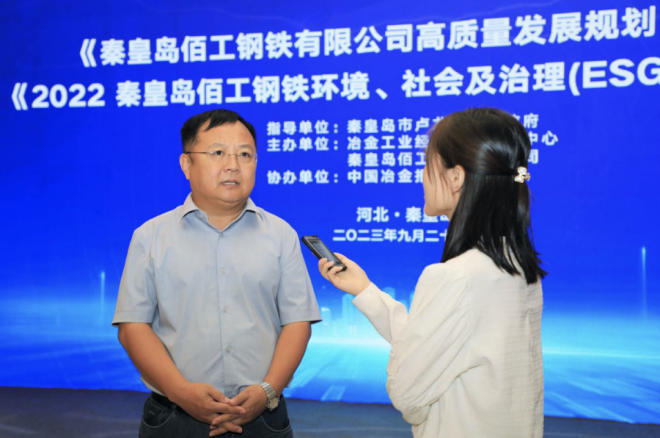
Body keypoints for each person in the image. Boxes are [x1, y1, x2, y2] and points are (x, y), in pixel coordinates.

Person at [318, 108, 546, 437]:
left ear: (455, 177)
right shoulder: (517, 267)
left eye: (427, 164)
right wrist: (365, 291)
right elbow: (438, 343)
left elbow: (406, 393)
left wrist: (414, 393)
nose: (422, 176)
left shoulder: (455, 275)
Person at [113, 109, 320, 438]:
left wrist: (267, 390)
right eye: (218, 153)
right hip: (174, 416)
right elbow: (132, 327)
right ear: (186, 164)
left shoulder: (281, 235)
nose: (233, 165)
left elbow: (297, 322)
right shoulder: (150, 237)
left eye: (245, 154)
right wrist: (181, 392)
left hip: (262, 415)